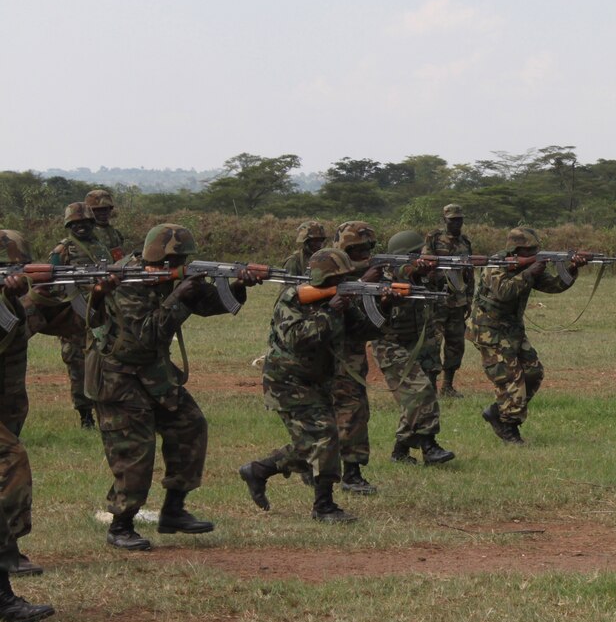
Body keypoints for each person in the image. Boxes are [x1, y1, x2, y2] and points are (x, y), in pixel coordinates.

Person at [87, 224, 259, 550]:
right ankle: (121, 525)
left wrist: (237, 285)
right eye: (175, 259)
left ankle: (174, 510)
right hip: (117, 377)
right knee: (135, 451)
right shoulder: (127, 282)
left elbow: (208, 304)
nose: (180, 264)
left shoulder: (169, 278)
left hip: (155, 374)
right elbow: (147, 334)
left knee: (190, 426)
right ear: (159, 259)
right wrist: (179, 297)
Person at [240, 248, 382, 522]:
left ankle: (259, 470)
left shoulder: (340, 299)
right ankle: (324, 506)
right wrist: (330, 311)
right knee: (325, 438)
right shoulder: (292, 300)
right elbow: (299, 339)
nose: (343, 282)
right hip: (286, 381)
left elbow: (366, 331)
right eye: (337, 277)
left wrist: (384, 303)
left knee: (314, 443)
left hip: (317, 380)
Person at [467, 227, 587, 444]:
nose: (533, 255)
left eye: (536, 251)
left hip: (512, 328)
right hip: (488, 329)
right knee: (511, 378)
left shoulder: (528, 267)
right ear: (515, 250)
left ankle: (497, 410)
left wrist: (572, 267)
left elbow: (554, 286)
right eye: (529, 251)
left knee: (533, 372)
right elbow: (504, 292)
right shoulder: (495, 265)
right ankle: (509, 427)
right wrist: (530, 272)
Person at [0, 231, 57, 584]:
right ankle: (8, 553)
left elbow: (76, 323)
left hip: (9, 405)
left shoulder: (19, 300)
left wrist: (99, 294)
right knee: (13, 461)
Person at [371, 231, 455, 465]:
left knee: (418, 395)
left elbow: (443, 286)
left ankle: (400, 451)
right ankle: (429, 445)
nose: (421, 257)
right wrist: (415, 269)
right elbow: (401, 273)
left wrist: (431, 270)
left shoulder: (423, 275)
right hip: (390, 345)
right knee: (420, 392)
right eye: (416, 254)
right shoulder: (384, 275)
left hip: (419, 342)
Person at [329, 221, 383, 495]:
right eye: (357, 250)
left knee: (354, 411)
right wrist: (363, 283)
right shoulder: (326, 275)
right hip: (330, 356)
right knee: (349, 412)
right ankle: (349, 474)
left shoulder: (367, 273)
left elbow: (369, 323)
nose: (364, 255)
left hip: (352, 356)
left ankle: (342, 470)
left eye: (368, 248)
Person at [50, 202, 113, 429]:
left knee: (103, 364)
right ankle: (85, 416)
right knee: (78, 368)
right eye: (76, 224)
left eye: (85, 223)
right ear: (69, 225)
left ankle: (105, 409)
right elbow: (51, 284)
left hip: (100, 314)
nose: (81, 227)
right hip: (74, 318)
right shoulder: (62, 251)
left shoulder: (101, 248)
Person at [422, 204, 474, 398]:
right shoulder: (434, 238)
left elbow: (469, 272)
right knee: (433, 344)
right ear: (445, 220)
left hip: (458, 302)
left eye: (459, 219)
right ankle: (431, 386)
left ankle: (448, 386)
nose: (456, 223)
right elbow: (425, 262)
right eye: (452, 219)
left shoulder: (465, 242)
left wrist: (469, 298)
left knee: (456, 344)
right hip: (437, 300)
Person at [84, 189, 125, 262]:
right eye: (98, 210)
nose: (102, 213)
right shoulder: (86, 234)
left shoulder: (115, 233)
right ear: (89, 211)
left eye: (105, 209)